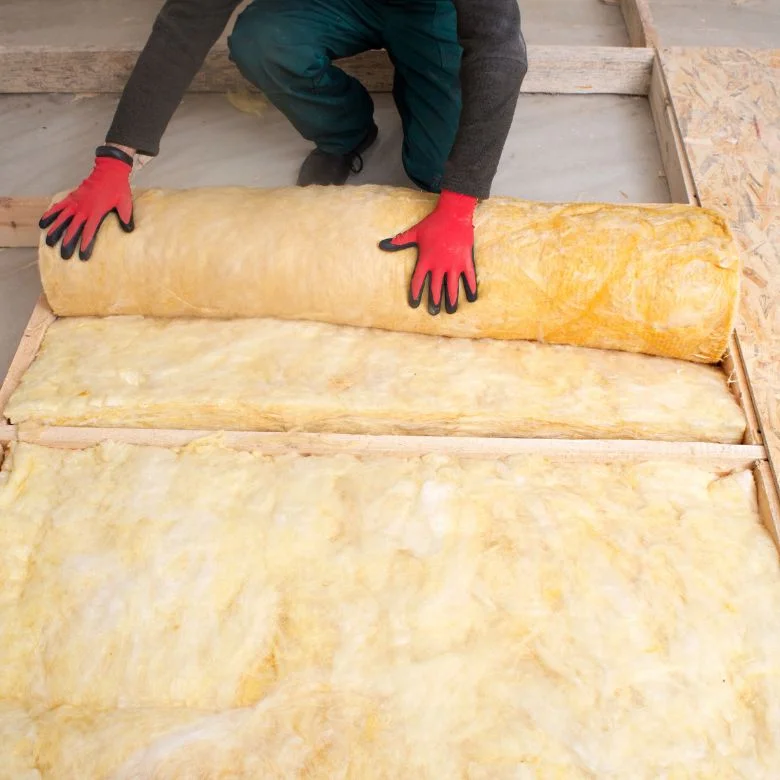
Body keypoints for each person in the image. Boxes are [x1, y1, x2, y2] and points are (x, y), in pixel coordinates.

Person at [40, 0, 527, 315]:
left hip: (433, 10)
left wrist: (460, 202)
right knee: (264, 38)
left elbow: (499, 47)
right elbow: (187, 19)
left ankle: (420, 82)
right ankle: (346, 133)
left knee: (439, 171)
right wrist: (116, 157)